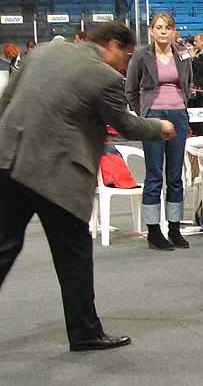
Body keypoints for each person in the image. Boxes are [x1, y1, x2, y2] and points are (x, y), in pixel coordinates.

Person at [0, 21, 175, 351]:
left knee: (4, 246)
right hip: (56, 174)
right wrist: (160, 127)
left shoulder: (43, 51)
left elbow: (6, 99)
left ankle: (85, 330)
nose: (124, 65)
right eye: (124, 56)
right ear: (110, 44)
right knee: (73, 255)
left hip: (9, 159)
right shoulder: (104, 76)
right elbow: (124, 123)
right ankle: (84, 332)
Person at [125, 13, 193, 251]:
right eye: (159, 27)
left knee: (176, 175)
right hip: (153, 117)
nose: (164, 31)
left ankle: (174, 228)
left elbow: (188, 83)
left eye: (168, 28)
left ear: (174, 31)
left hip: (178, 116)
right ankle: (154, 231)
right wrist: (144, 113)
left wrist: (182, 107)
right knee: (155, 174)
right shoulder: (141, 56)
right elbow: (130, 90)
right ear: (151, 30)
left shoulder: (183, 55)